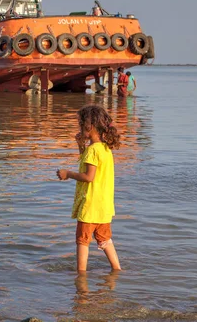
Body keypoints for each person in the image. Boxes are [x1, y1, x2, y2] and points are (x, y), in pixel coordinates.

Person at [56, 105, 121, 272]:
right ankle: (117, 268)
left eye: (80, 124)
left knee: (82, 240)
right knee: (104, 239)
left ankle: (81, 274)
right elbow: (90, 164)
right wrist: (81, 145)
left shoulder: (92, 150)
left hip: (90, 205)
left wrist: (67, 173)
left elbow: (88, 176)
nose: (79, 127)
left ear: (89, 126)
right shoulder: (105, 148)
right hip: (103, 206)